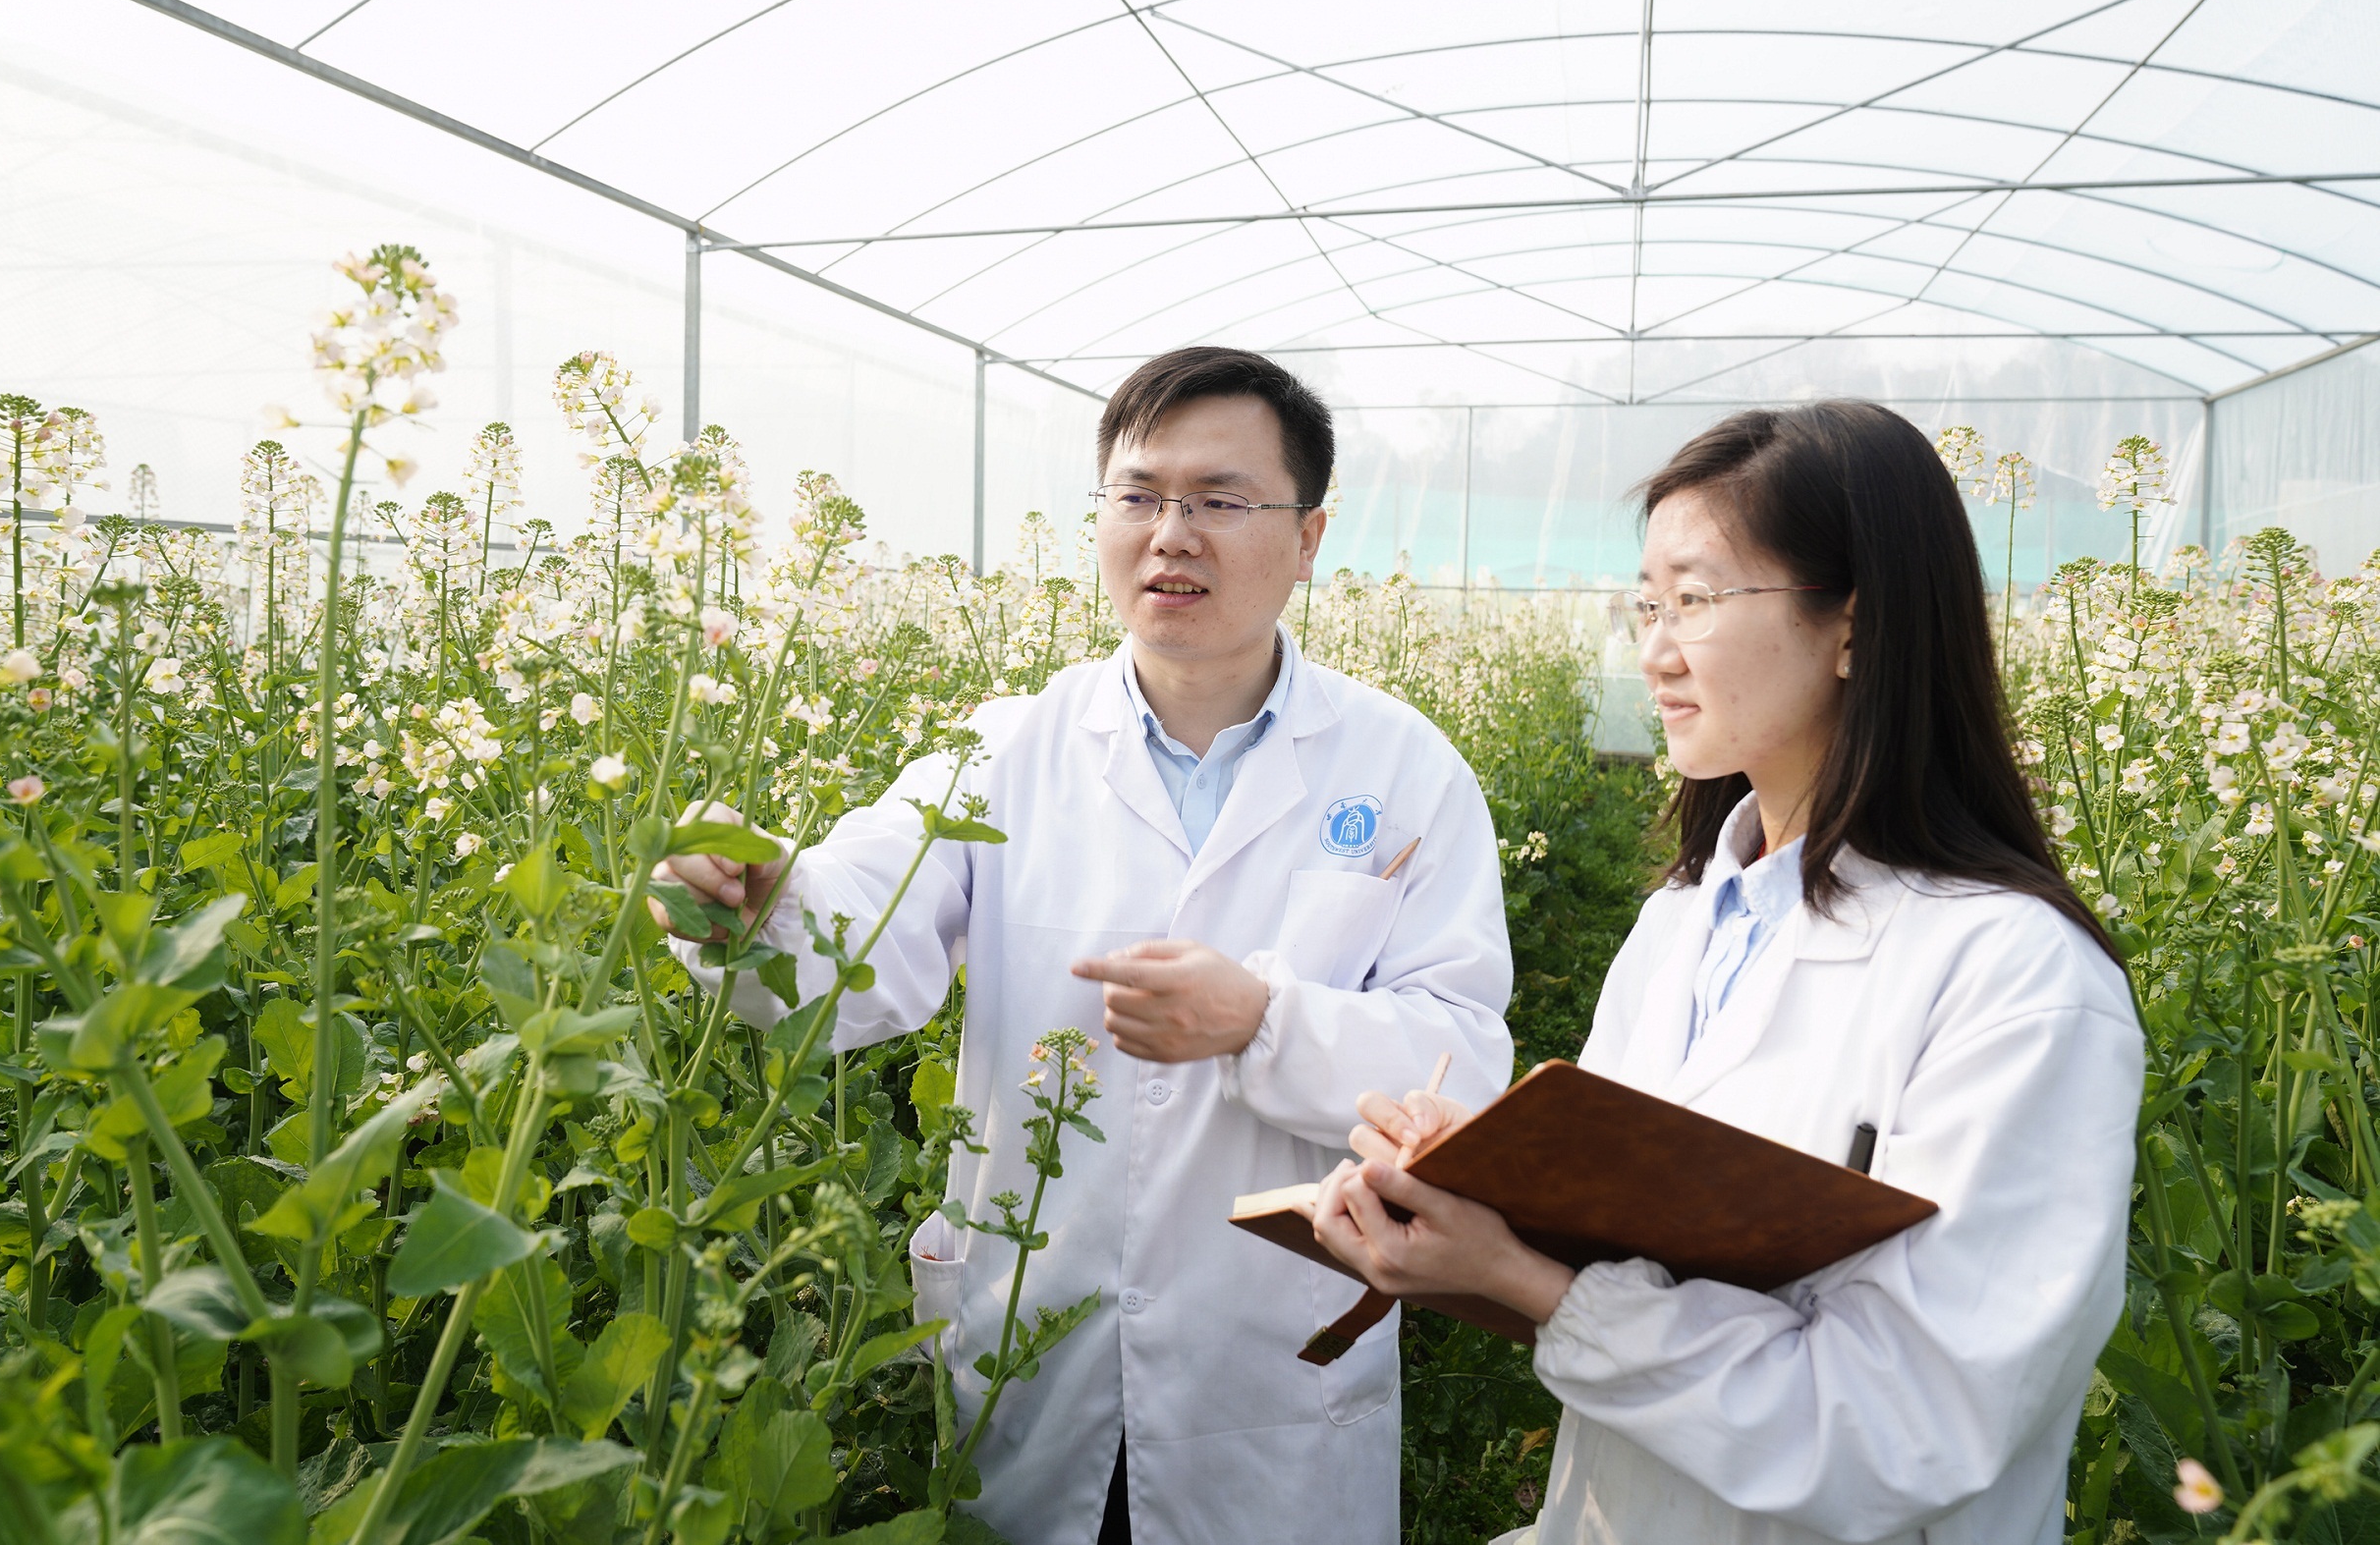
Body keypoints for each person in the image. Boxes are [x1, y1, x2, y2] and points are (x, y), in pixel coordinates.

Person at [650, 347, 1514, 1545]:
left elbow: (1464, 1064)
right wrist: (753, 908)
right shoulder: (1004, 751)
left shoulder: (1404, 768)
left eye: (1220, 500)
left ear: (1308, 537)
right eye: (1138, 495)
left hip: (1269, 1380)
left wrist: (1265, 1023)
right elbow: (857, 942)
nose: (1172, 534)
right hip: (1031, 1355)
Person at [1311, 401, 2142, 1545]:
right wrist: (1489, 1185)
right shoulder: (1679, 924)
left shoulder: (2015, 975)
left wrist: (1532, 1282)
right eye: (1644, 605)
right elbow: (1636, 1242)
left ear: (1853, 623)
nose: (1651, 649)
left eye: (1692, 600)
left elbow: (1912, 1427)